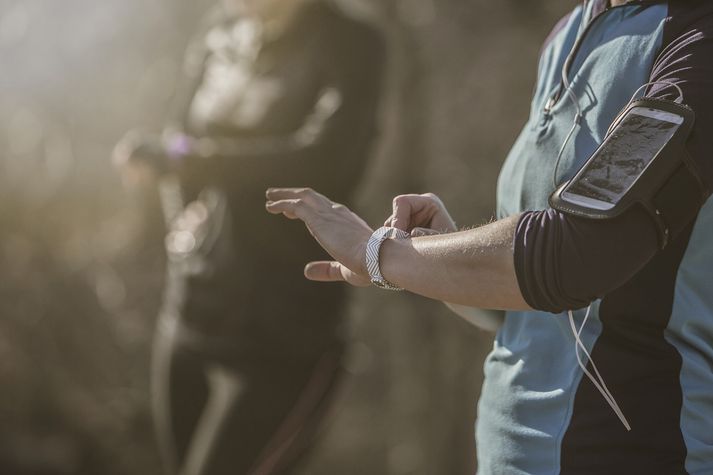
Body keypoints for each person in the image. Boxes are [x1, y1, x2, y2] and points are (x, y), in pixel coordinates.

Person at [265, 0, 713, 473]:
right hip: (506, 454)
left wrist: (380, 254)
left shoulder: (696, 42)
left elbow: (577, 255)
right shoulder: (569, 32)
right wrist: (434, 249)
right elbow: (526, 307)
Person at [113, 0, 385, 473]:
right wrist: (180, 209)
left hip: (286, 333)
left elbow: (322, 157)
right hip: (193, 311)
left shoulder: (353, 42)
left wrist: (191, 161)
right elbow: (180, 137)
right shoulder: (220, 31)